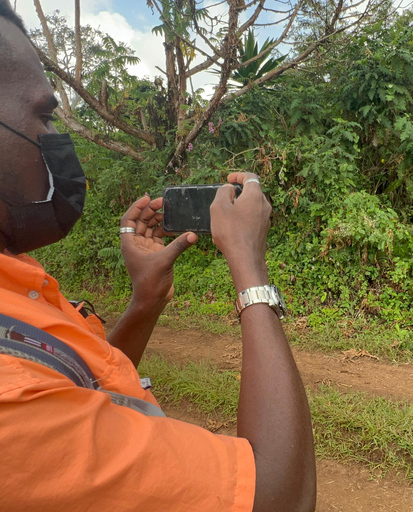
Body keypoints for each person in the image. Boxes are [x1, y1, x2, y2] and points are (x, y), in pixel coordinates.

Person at [0, 4, 316, 511]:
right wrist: (248, 266)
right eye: (43, 115)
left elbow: (84, 387)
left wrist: (145, 301)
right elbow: (280, 497)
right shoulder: (11, 408)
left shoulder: (19, 286)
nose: (57, 138)